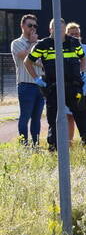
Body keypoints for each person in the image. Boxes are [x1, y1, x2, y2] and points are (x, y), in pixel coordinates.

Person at [24, 18, 86, 150]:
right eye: (56, 29)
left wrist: (82, 72)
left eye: (62, 29)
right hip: (53, 87)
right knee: (54, 121)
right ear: (50, 30)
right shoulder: (43, 45)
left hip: (74, 87)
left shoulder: (73, 42)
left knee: (83, 118)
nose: (60, 32)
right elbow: (27, 62)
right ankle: (55, 150)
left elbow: (83, 57)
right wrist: (36, 79)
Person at [11, 14, 43, 145]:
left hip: (40, 85)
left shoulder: (39, 43)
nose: (32, 28)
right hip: (25, 85)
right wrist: (32, 43)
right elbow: (26, 57)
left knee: (37, 118)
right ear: (22, 26)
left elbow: (42, 62)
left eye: (35, 26)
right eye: (30, 25)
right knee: (25, 116)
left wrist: (35, 44)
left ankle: (35, 144)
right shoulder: (17, 43)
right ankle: (24, 144)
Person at [64, 22, 86, 142]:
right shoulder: (64, 48)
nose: (75, 36)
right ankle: (69, 142)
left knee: (84, 115)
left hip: (84, 88)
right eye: (72, 34)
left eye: (77, 34)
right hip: (69, 87)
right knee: (69, 116)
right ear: (67, 34)